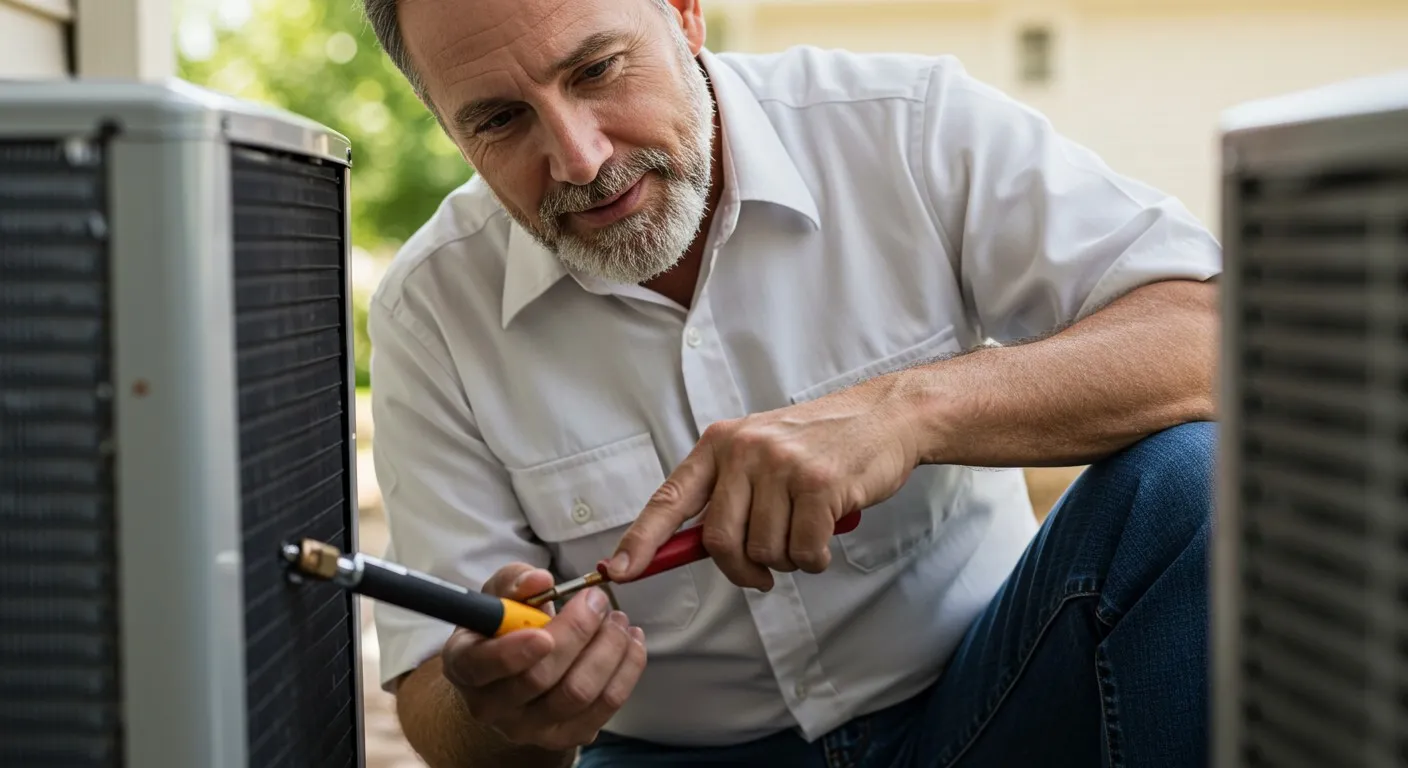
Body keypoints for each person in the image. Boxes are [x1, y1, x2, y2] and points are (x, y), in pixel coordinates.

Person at [361, 0, 1222, 765]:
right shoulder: (428, 311)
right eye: (502, 121)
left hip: (999, 687)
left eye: (597, 69)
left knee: (1196, 477)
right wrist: (504, 709)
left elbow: (1216, 334)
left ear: (685, 15)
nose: (580, 160)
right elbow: (434, 693)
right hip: (674, 751)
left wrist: (909, 411)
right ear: (444, 124)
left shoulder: (906, 126)